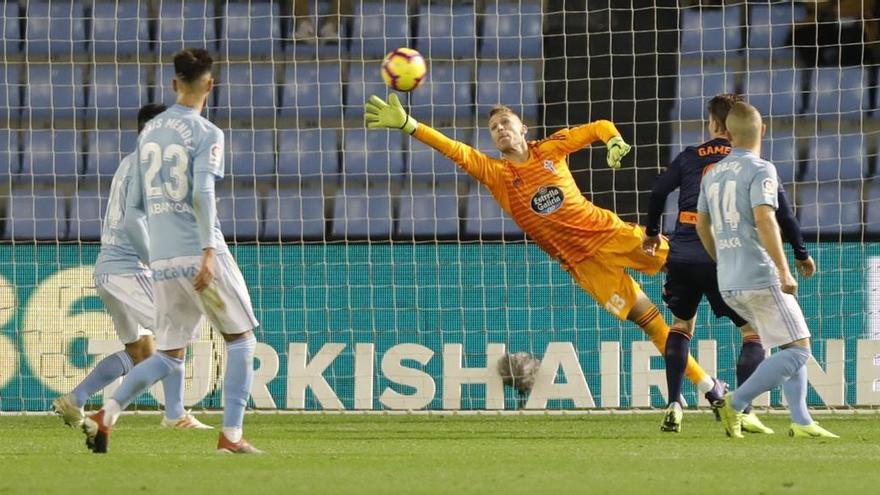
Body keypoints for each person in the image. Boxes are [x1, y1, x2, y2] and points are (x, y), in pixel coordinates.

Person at [364, 93, 727, 411]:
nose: (500, 129)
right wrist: (411, 125)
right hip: (585, 267)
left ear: (523, 129)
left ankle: (752, 312)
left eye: (506, 122)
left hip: (612, 235)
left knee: (695, 262)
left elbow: (599, 125)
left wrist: (613, 141)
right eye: (493, 128)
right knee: (652, 325)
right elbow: (454, 150)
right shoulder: (496, 174)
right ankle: (710, 388)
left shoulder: (552, 148)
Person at [81, 48, 261, 454]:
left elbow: (135, 209)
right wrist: (209, 250)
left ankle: (106, 412)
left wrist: (156, 255)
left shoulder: (148, 137)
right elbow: (202, 191)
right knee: (242, 339)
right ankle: (231, 435)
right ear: (210, 85)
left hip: (161, 260)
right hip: (198, 251)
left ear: (174, 83)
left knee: (169, 353)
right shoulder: (208, 134)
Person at [643, 94, 816, 434]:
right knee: (752, 333)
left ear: (714, 124)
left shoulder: (691, 157)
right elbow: (782, 213)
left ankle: (675, 404)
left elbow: (657, 192)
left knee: (680, 325)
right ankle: (744, 409)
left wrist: (652, 233)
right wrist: (799, 252)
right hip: (725, 257)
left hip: (682, 251)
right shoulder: (752, 163)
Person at [52, 104, 211, 431]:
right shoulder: (147, 167)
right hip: (128, 269)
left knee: (142, 351)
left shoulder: (130, 163)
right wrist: (158, 261)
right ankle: (176, 415)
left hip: (108, 270)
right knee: (175, 331)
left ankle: (77, 398)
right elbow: (133, 220)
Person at [695, 101, 838, 439]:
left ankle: (801, 421)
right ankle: (735, 402)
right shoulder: (761, 168)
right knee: (801, 349)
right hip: (759, 275)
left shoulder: (712, 173)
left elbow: (702, 225)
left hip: (728, 279)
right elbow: (765, 219)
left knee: (789, 345)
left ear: (728, 134)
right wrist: (784, 270)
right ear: (764, 130)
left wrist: (722, 260)